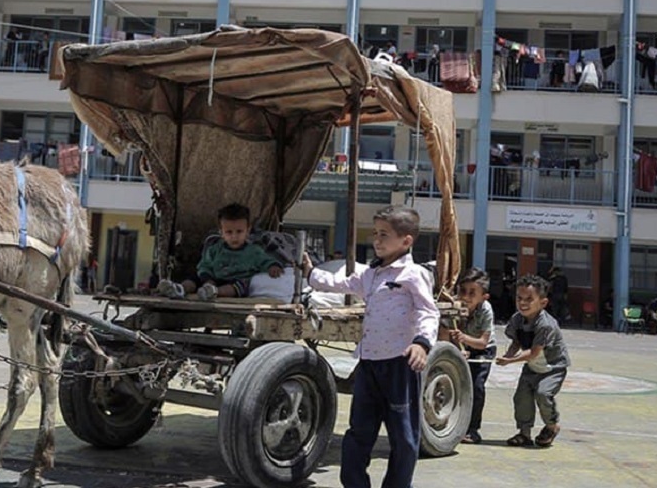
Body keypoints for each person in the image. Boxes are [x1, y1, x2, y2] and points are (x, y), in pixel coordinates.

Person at [301, 205, 438, 488]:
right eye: (375, 233)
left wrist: (422, 344)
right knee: (359, 432)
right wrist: (312, 274)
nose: (376, 240)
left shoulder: (413, 274)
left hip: (399, 365)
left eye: (384, 234)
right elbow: (342, 283)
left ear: (406, 241)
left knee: (403, 437)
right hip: (369, 365)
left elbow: (428, 311)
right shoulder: (371, 274)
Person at [497, 273, 571, 449]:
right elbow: (516, 342)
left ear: (543, 303)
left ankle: (552, 426)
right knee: (521, 398)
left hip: (553, 367)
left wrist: (510, 361)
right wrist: (508, 354)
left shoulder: (545, 324)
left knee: (543, 394)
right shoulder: (516, 319)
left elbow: (534, 352)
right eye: (519, 298)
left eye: (529, 299)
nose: (523, 302)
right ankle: (524, 433)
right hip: (532, 367)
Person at [157, 203, 284, 301]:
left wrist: (273, 266)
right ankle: (179, 289)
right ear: (221, 233)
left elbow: (266, 261)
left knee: (240, 286)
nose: (234, 237)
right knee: (193, 278)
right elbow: (204, 266)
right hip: (213, 279)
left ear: (248, 230)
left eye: (239, 232)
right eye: (229, 232)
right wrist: (208, 279)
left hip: (235, 283)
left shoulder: (254, 251)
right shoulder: (214, 249)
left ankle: (213, 292)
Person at [450, 267, 495, 445]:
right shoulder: (453, 306)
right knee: (458, 386)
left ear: (484, 296)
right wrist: (459, 345)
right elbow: (446, 332)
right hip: (461, 346)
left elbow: (483, 342)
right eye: (463, 291)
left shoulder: (485, 310)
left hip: (482, 350)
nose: (466, 297)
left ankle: (473, 429)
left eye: (472, 293)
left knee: (476, 387)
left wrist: (464, 339)